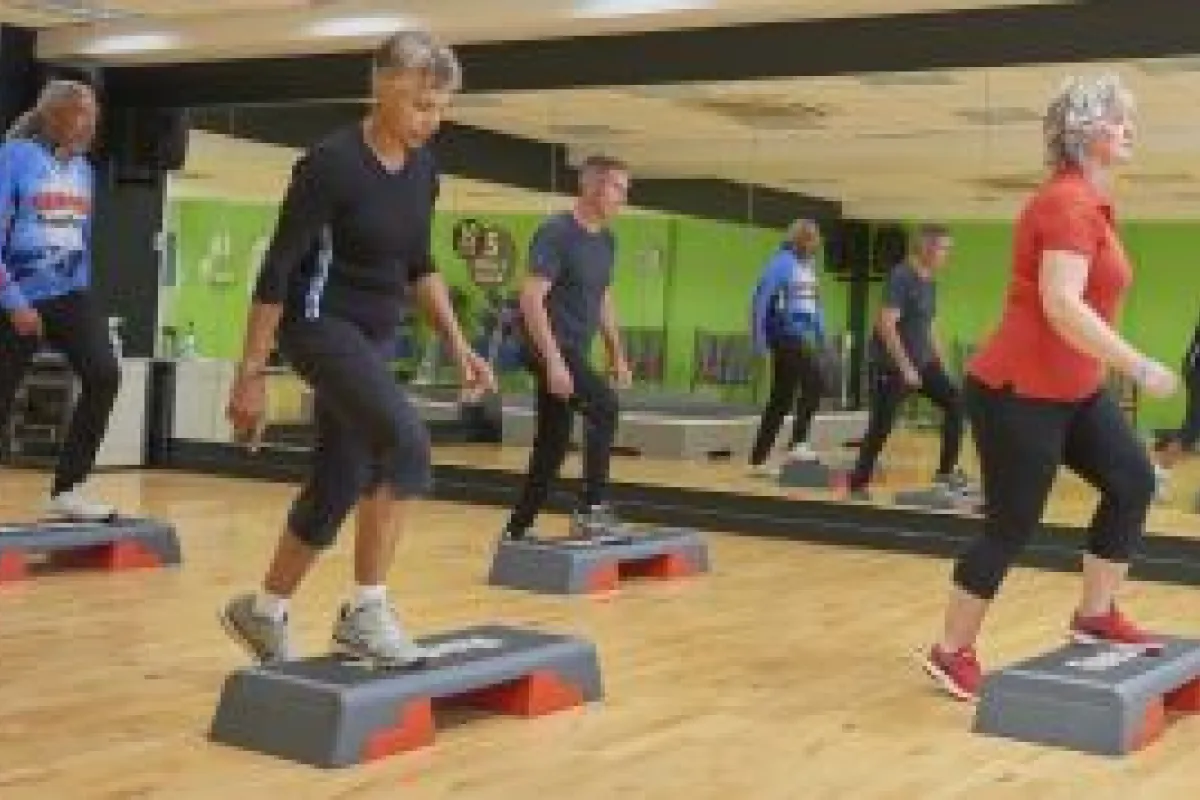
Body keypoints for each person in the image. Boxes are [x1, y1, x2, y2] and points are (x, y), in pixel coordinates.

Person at [218, 30, 495, 667]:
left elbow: (419, 264)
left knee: (338, 483)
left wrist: (459, 344)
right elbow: (278, 271)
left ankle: (263, 613)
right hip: (317, 324)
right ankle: (366, 613)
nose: (431, 121)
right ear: (381, 86)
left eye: (440, 108)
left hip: (371, 338)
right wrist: (251, 374)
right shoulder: (331, 163)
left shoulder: (425, 169)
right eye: (421, 105)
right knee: (406, 442)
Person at [923, 74, 1178, 702]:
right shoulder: (1064, 203)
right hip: (1018, 389)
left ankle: (1095, 614)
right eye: (1118, 121)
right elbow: (1061, 305)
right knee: (1012, 525)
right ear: (1086, 132)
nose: (1129, 130)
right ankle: (950, 652)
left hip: (1075, 389)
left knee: (1132, 482)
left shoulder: (1091, 204)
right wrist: (1139, 367)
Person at [0, 79, 121, 522]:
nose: (91, 122)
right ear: (52, 116)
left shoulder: (84, 170)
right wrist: (14, 303)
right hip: (14, 291)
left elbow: (80, 237)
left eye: (93, 112)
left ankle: (69, 489)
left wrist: (82, 291)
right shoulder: (12, 159)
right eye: (81, 112)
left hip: (68, 292)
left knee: (104, 374)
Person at [500, 155, 633, 540]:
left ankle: (519, 528)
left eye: (626, 190)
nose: (623, 198)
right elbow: (530, 299)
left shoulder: (607, 240)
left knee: (553, 443)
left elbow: (602, 297)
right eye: (617, 188)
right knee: (603, 406)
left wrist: (616, 353)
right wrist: (555, 362)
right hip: (546, 345)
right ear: (591, 187)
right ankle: (592, 508)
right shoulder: (556, 232)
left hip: (573, 348)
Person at [846, 224, 976, 501]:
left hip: (924, 364)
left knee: (956, 403)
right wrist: (905, 367)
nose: (947, 256)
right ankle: (857, 485)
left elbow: (928, 326)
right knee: (881, 426)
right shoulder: (901, 276)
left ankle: (945, 475)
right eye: (944, 249)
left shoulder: (930, 280)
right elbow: (886, 324)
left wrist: (940, 362)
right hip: (892, 366)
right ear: (927, 248)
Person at [748, 218, 828, 475]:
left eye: (817, 240)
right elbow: (760, 300)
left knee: (781, 399)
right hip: (782, 333)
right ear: (800, 241)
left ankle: (758, 460)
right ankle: (798, 442)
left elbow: (815, 303)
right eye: (812, 240)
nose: (816, 244)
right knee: (814, 381)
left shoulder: (809, 267)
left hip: (799, 335)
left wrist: (820, 332)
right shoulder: (780, 264)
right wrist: (759, 338)